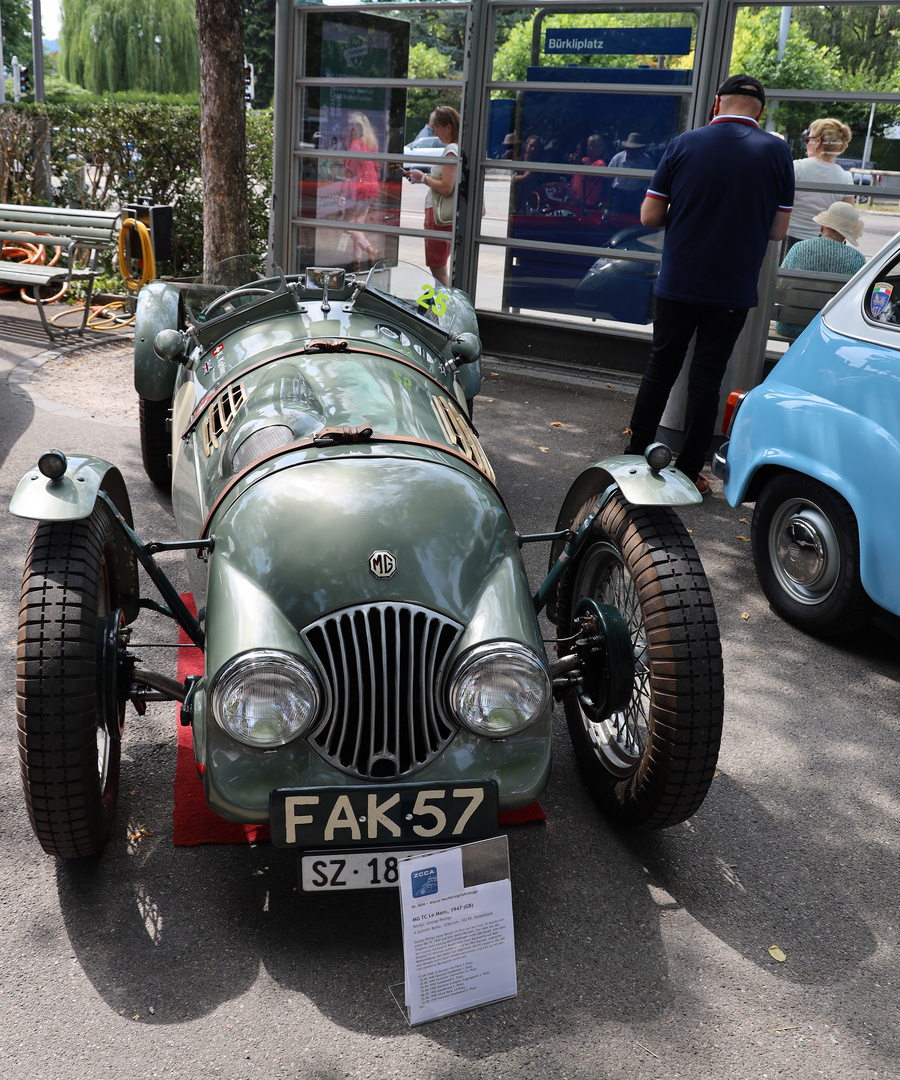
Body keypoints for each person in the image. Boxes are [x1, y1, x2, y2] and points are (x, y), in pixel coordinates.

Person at [623, 74, 795, 494]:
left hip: (678, 281)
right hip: (732, 290)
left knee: (661, 367)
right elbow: (777, 230)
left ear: (717, 104)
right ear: (761, 110)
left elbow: (649, 216)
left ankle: (634, 457)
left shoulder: (684, 144)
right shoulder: (777, 152)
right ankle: (688, 471)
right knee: (707, 379)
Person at [774, 200, 866, 338]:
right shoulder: (857, 259)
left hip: (789, 325)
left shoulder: (799, 248)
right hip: (830, 329)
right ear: (848, 234)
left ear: (822, 227)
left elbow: (779, 283)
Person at [406, 105, 459, 287]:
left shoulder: (451, 149)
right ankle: (441, 309)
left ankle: (442, 311)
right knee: (440, 268)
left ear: (449, 127)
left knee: (438, 269)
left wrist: (423, 178)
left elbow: (446, 187)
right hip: (442, 215)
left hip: (437, 215)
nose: (436, 134)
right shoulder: (457, 148)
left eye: (437, 128)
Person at [785, 117, 854, 252]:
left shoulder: (795, 168)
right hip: (822, 244)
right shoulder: (845, 177)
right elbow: (848, 217)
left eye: (807, 139)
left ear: (818, 141)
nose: (806, 143)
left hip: (788, 239)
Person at [341, 111, 380, 269]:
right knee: (358, 225)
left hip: (360, 189)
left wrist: (342, 193)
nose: (350, 129)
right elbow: (377, 167)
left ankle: (370, 249)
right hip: (372, 188)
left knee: (348, 224)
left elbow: (349, 172)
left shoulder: (355, 144)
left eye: (352, 126)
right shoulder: (372, 144)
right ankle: (356, 261)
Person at [607, 132, 654, 217]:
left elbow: (652, 180)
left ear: (639, 149)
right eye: (629, 148)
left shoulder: (646, 160)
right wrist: (608, 200)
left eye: (634, 149)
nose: (631, 151)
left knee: (634, 223)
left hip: (636, 197)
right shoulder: (617, 158)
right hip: (619, 196)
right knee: (616, 220)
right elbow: (608, 178)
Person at [572, 133, 607, 209]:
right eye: (588, 145)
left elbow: (589, 177)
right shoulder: (584, 160)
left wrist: (579, 164)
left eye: (592, 146)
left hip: (588, 204)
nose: (588, 148)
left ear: (599, 148)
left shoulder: (600, 163)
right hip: (575, 202)